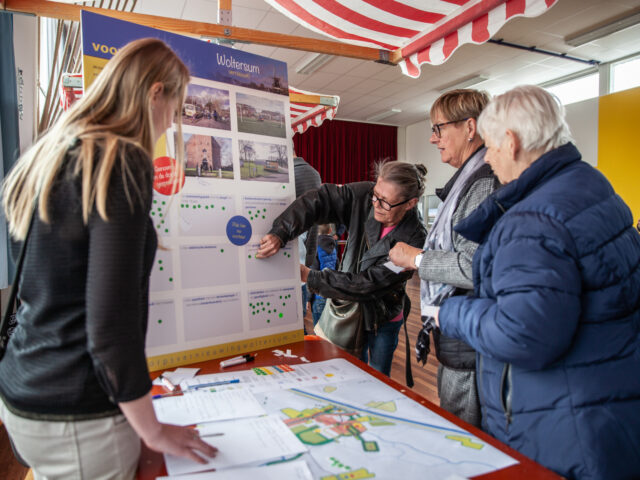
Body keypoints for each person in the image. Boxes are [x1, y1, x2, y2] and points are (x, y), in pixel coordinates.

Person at [0, 38, 217, 479]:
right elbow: (109, 322)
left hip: (24, 390)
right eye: (174, 111)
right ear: (155, 93)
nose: (169, 127)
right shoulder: (121, 159)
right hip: (78, 410)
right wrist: (152, 430)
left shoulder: (51, 153)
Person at [435, 85, 640, 479]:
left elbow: (524, 336)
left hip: (564, 422)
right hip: (610, 403)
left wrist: (454, 312)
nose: (490, 161)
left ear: (510, 143)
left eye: (490, 148)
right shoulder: (593, 188)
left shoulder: (531, 222)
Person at [389, 89, 498, 428]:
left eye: (439, 128)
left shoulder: (483, 184)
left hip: (471, 339)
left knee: (466, 432)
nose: (433, 138)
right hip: (461, 331)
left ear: (470, 127)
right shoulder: (470, 179)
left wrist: (417, 258)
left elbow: (473, 266)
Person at [257, 162, 427, 376]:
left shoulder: (415, 238)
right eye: (375, 195)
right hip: (347, 309)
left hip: (383, 319)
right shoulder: (364, 196)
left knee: (377, 378)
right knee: (346, 372)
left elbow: (368, 283)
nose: (376, 204)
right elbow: (319, 199)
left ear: (410, 203)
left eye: (386, 203)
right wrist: (281, 231)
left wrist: (310, 277)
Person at [293, 153, 322, 321]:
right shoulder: (312, 174)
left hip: (295, 264)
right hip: (300, 262)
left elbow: (310, 225)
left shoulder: (296, 174)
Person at [309, 223, 338, 325]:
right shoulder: (333, 247)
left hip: (319, 295)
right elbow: (337, 268)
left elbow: (312, 274)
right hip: (331, 293)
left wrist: (308, 298)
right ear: (330, 230)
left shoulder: (315, 248)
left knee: (319, 330)